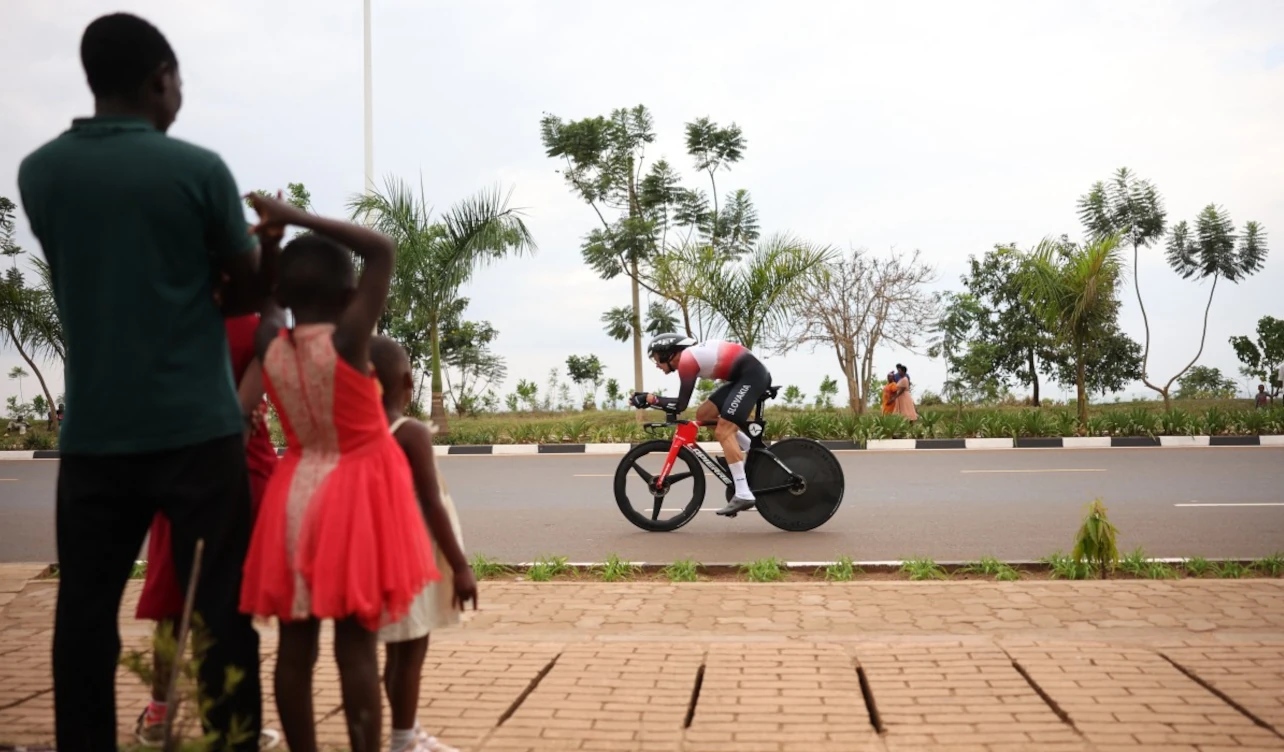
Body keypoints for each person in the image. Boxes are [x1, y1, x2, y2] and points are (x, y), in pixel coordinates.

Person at [17, 13, 267, 751]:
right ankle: (232, 742)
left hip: (95, 434)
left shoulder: (40, 171)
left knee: (85, 614)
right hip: (199, 428)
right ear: (161, 78)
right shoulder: (197, 170)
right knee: (222, 612)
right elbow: (249, 288)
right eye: (179, 81)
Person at [237, 194, 440, 752]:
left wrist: (271, 239)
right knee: (356, 648)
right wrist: (295, 218)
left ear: (280, 292)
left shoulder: (270, 342)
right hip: (356, 497)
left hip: (293, 492)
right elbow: (380, 248)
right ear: (352, 297)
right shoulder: (351, 343)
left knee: (294, 647)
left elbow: (269, 302)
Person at [133, 314, 281, 749]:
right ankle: (233, 722)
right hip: (243, 469)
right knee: (229, 609)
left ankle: (164, 714)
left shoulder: (170, 316)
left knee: (176, 601)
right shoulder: (260, 325)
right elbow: (243, 415)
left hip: (182, 465)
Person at [370, 335, 477, 752]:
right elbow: (432, 504)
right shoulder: (409, 431)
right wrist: (461, 567)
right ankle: (403, 741)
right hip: (413, 555)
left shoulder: (362, 431)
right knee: (412, 648)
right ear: (408, 382)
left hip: (382, 554)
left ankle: (407, 729)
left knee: (397, 648)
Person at [635, 334, 771, 516]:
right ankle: (753, 450)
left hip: (752, 377)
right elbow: (682, 405)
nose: (657, 364)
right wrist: (652, 400)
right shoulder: (690, 357)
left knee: (724, 431)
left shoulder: (686, 360)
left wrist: (652, 399)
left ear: (669, 353)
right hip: (744, 378)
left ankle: (743, 493)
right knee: (704, 414)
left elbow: (680, 405)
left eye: (657, 358)